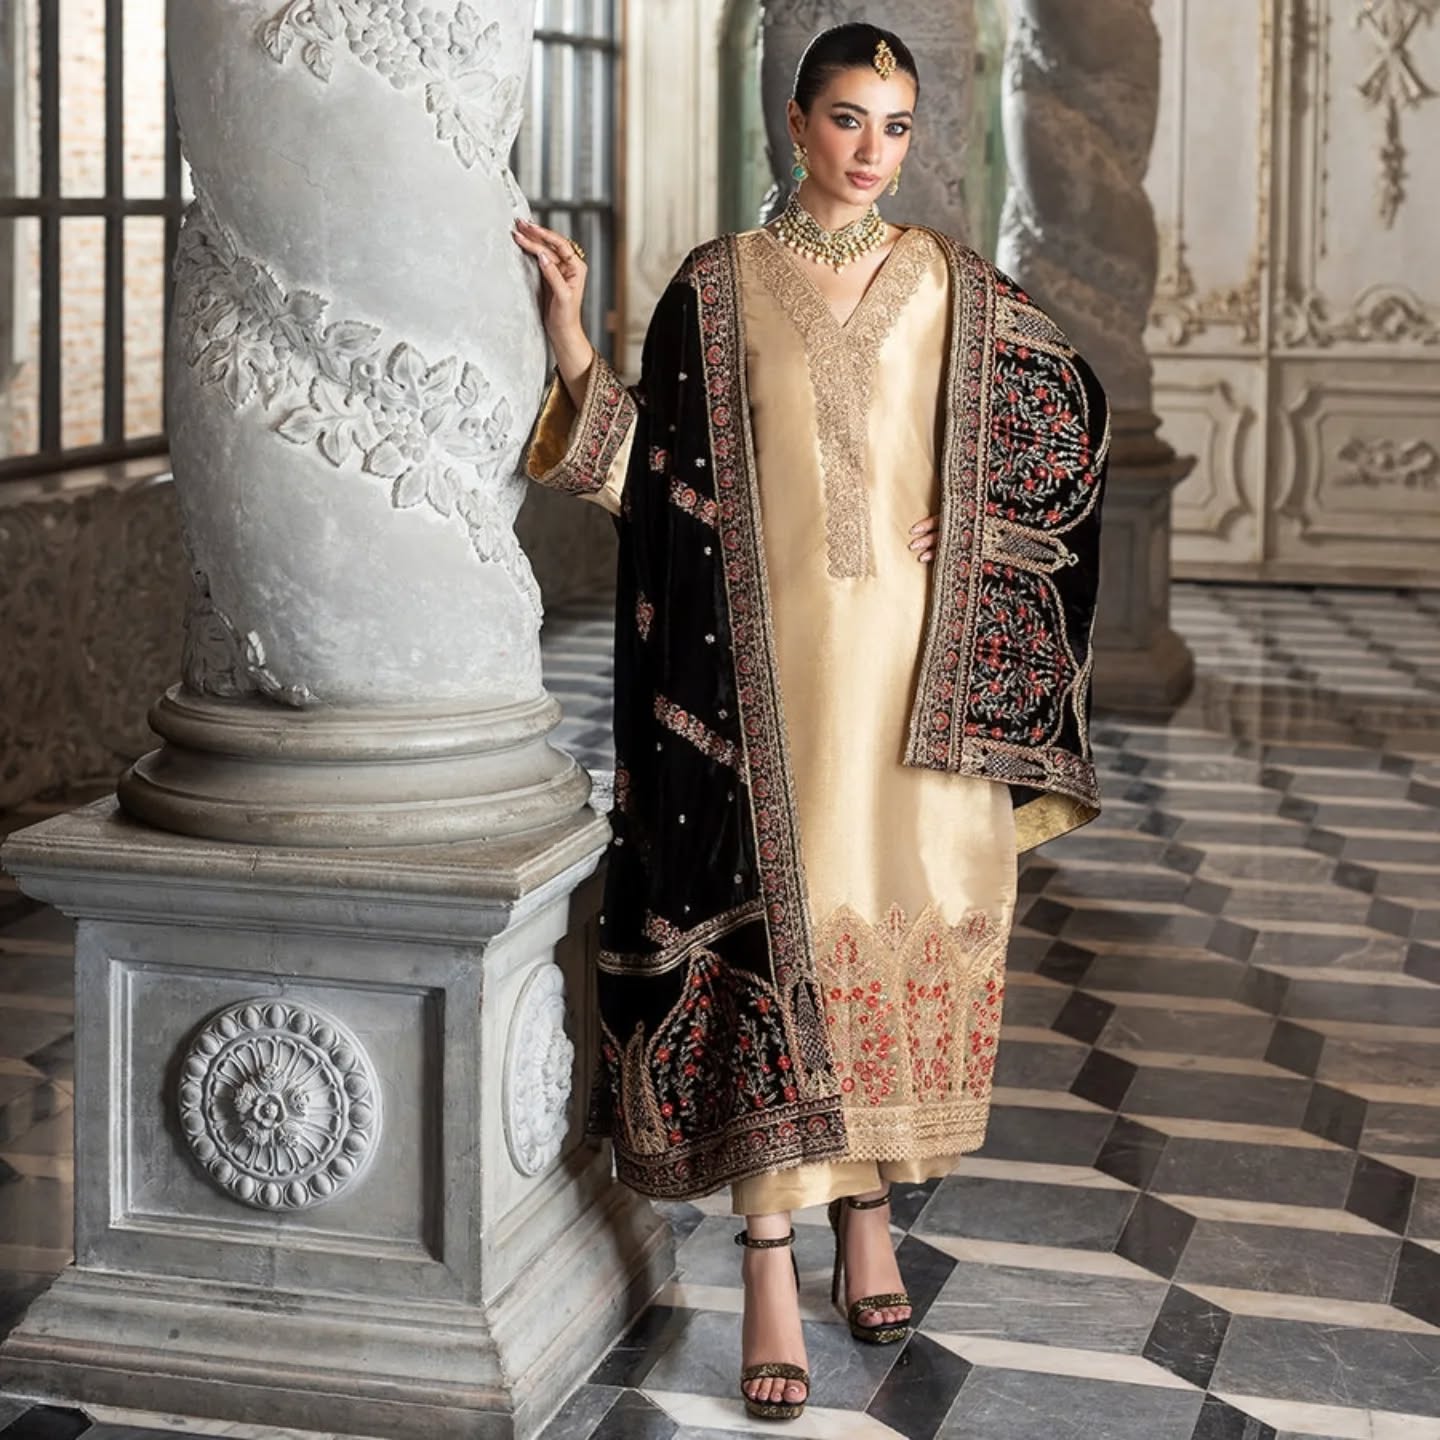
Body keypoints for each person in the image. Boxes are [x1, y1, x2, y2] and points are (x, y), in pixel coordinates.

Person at [512, 22, 1108, 1423]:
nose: (871, 151)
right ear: (795, 122)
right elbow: (653, 485)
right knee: (776, 942)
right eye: (847, 118)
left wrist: (980, 518)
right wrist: (572, 340)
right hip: (756, 693)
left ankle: (872, 1211)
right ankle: (773, 1254)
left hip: (916, 684)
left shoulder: (952, 282)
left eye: (896, 126)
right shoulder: (716, 287)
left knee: (889, 924)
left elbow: (1069, 427)